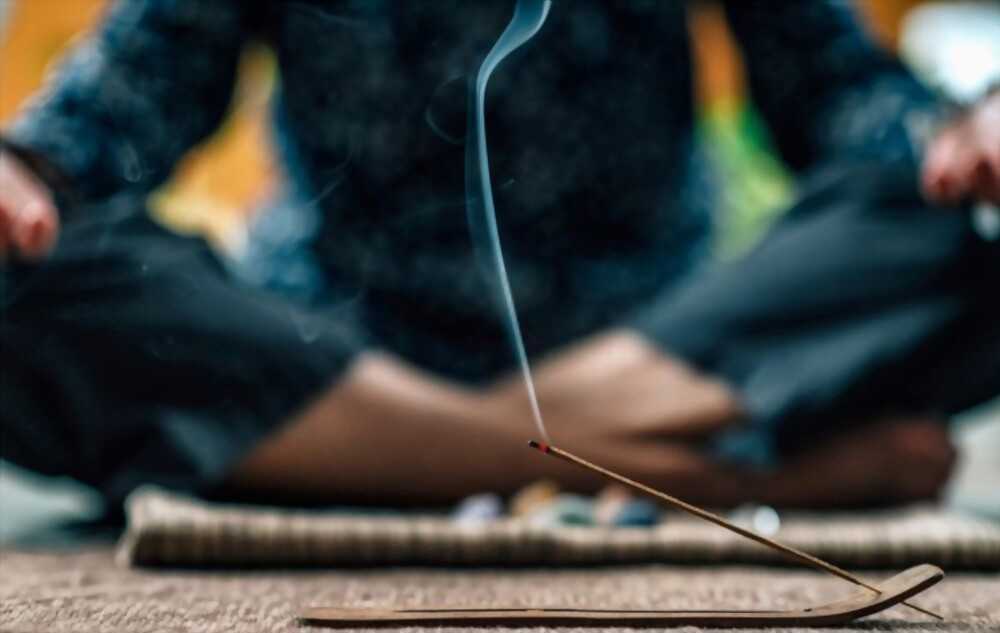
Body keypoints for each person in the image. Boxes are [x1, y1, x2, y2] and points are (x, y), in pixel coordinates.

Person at [2, 1, 998, 510]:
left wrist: (972, 133)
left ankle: (406, 473)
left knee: (958, 230)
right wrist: (20, 169)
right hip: (325, 357)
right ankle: (704, 479)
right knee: (22, 276)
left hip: (661, 352)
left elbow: (842, 96)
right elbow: (112, 116)